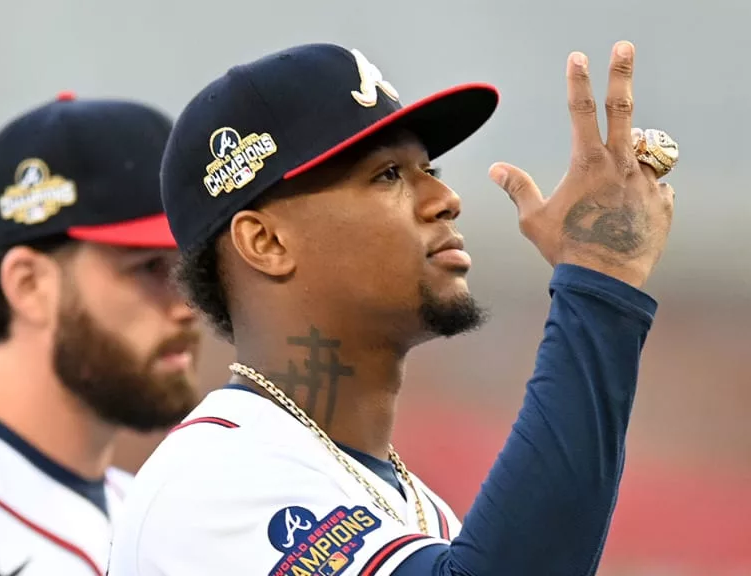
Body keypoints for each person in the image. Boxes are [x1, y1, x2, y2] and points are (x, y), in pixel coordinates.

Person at [109, 39, 677, 576]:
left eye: (430, 170)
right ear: (267, 242)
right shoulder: (211, 480)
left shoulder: (417, 509)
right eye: (388, 176)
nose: (445, 200)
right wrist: (598, 281)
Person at [0, 94, 202, 575]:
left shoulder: (151, 518)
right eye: (149, 267)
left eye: (188, 270)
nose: (188, 307)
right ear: (29, 285)